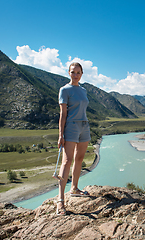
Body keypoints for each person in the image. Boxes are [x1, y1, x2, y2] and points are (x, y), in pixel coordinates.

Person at [56, 62, 91, 215]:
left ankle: (74, 188)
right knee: (67, 161)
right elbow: (63, 114)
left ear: (82, 73)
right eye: (73, 72)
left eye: (78, 72)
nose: (75, 75)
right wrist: (60, 134)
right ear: (68, 73)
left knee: (79, 159)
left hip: (84, 126)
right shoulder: (64, 90)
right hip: (71, 127)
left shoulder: (83, 90)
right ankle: (60, 201)